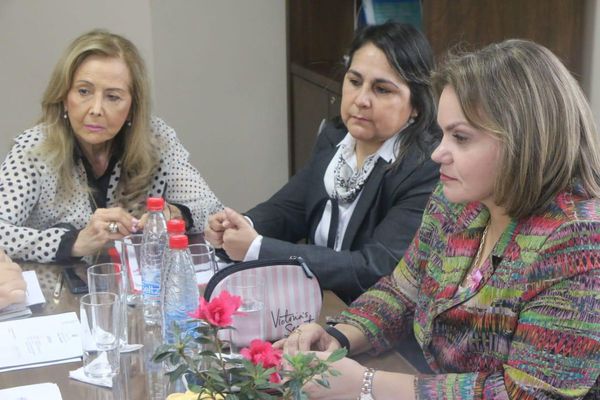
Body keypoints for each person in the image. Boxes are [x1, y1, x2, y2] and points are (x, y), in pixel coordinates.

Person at [280, 39, 600, 399]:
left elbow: (526, 393)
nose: (437, 153)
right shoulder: (459, 200)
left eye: (460, 137)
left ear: (525, 142)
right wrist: (337, 337)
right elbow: (402, 291)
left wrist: (367, 384)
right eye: (443, 132)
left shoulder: (578, 238)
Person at [205, 22, 439, 303]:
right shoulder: (334, 136)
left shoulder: (425, 168)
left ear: (416, 105)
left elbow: (375, 268)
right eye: (354, 82)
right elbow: (290, 208)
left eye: (382, 90)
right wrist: (239, 225)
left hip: (371, 323)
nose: (361, 99)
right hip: (318, 302)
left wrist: (257, 248)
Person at [0, 29, 222, 264]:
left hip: (136, 291)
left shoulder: (156, 138)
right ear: (65, 97)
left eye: (113, 97)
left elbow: (211, 209)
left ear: (132, 107)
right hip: (57, 294)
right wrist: (72, 242)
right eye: (84, 91)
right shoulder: (34, 148)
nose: (96, 109)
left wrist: (175, 214)